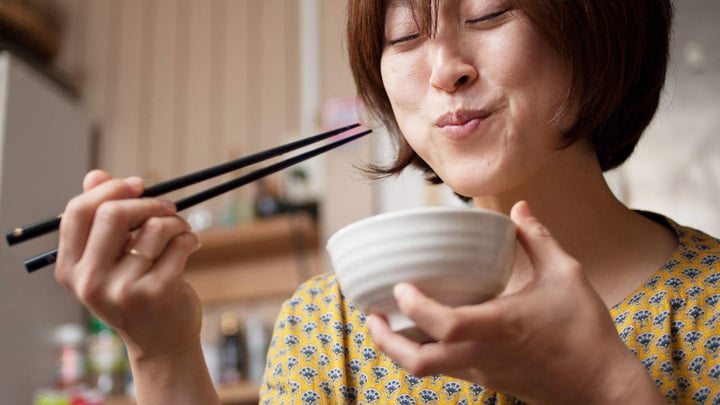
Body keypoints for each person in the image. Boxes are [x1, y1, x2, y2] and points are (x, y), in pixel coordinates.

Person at [52, 1, 719, 404]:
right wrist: (162, 349)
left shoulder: (709, 303)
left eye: (487, 13)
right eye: (403, 35)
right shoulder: (333, 327)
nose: (444, 68)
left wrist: (605, 388)